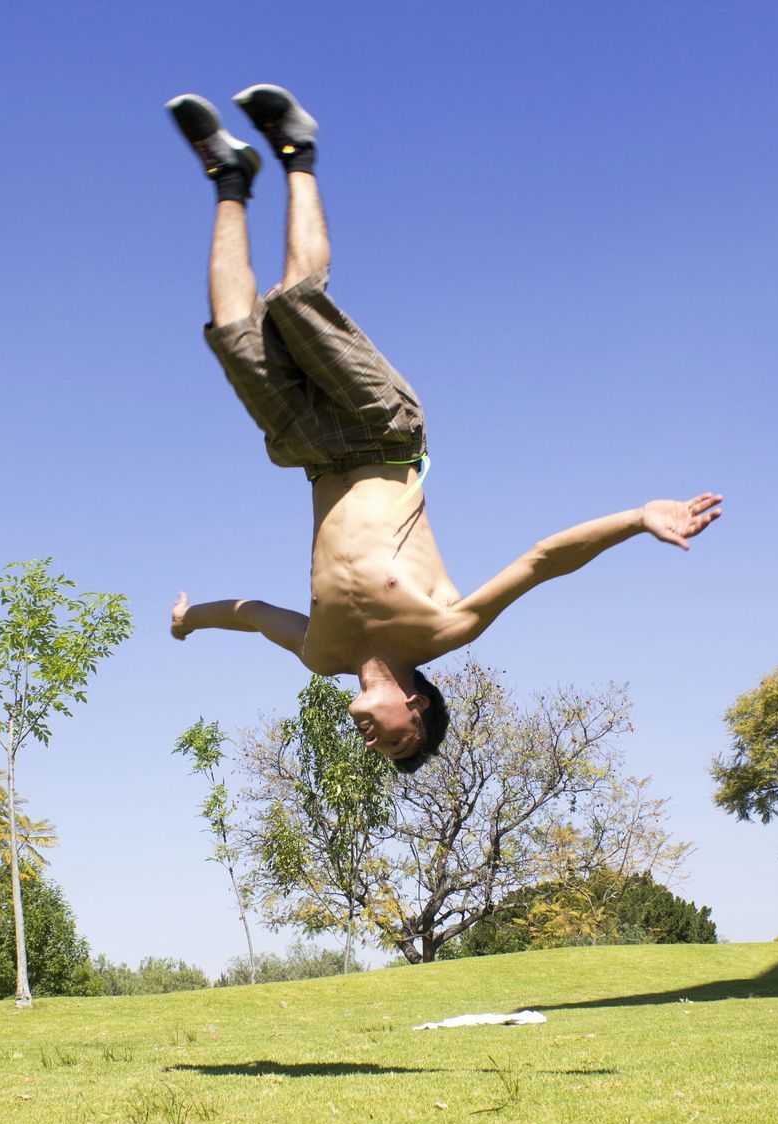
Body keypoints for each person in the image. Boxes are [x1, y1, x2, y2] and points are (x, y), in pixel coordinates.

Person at [166, 85, 722, 773]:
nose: (375, 742)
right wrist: (638, 517)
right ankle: (298, 151)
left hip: (309, 453)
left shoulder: (320, 655)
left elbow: (250, 614)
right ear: (419, 707)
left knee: (233, 332)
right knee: (295, 303)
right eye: (398, 740)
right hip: (386, 433)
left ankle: (229, 176)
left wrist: (191, 620)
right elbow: (543, 560)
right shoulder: (445, 627)